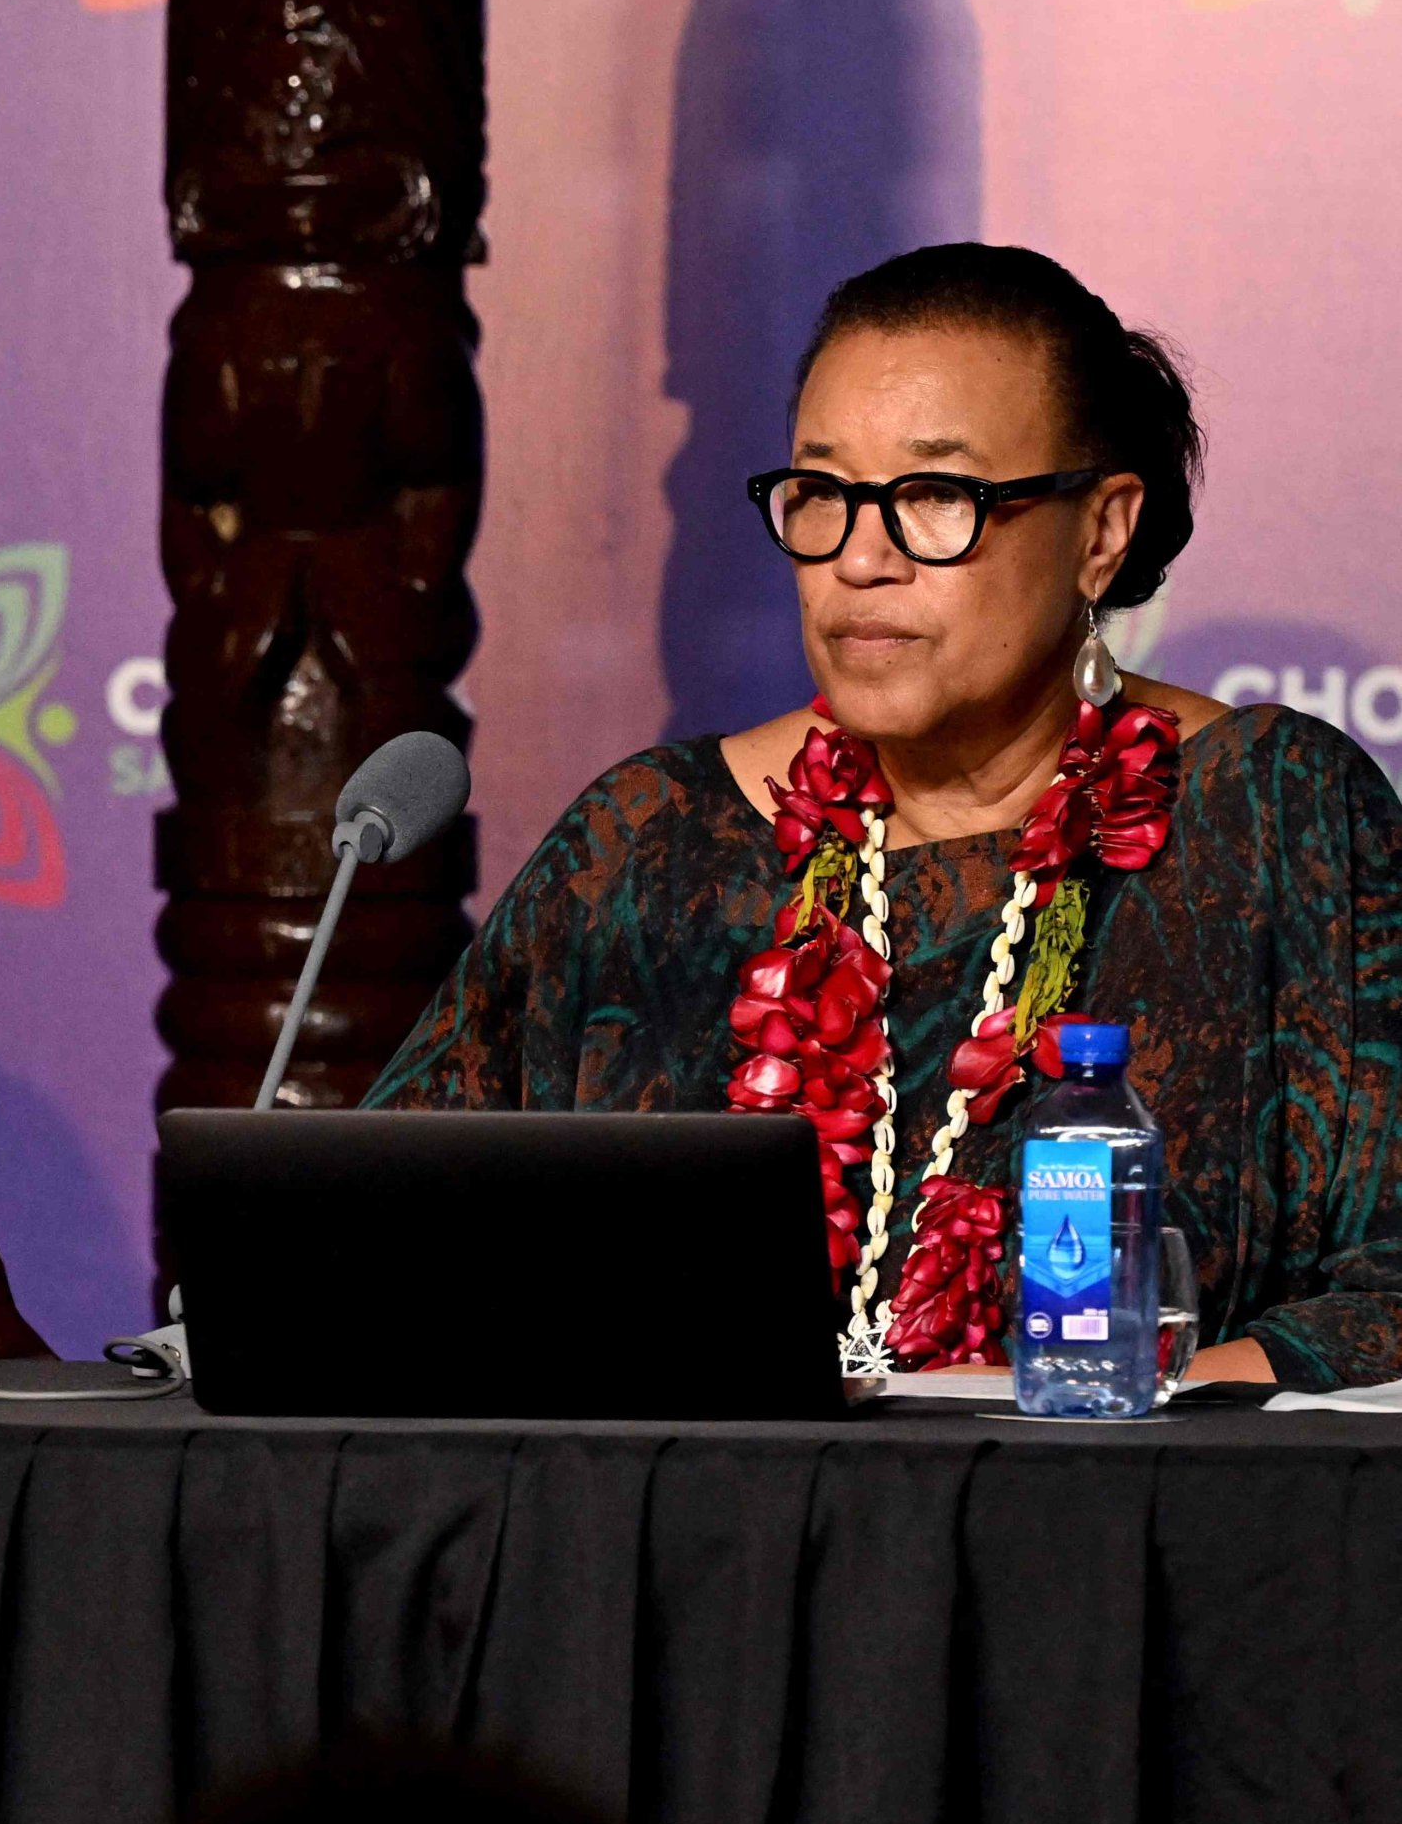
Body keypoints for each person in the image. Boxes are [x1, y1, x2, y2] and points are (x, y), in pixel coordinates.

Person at [374, 242, 1402, 1386]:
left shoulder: (1274, 816)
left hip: (1118, 1531)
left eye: (934, 498)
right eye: (820, 495)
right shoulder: (652, 838)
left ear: (1102, 531)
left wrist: (1115, 1397)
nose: (859, 559)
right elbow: (368, 1240)